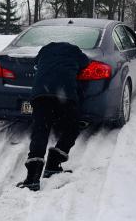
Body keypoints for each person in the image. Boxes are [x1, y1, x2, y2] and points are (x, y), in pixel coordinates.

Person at [17, 42, 90, 191]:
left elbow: (36, 63)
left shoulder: (45, 50)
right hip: (66, 96)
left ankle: (32, 178)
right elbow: (85, 63)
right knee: (72, 128)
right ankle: (53, 164)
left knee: (40, 132)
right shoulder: (75, 51)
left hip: (41, 95)